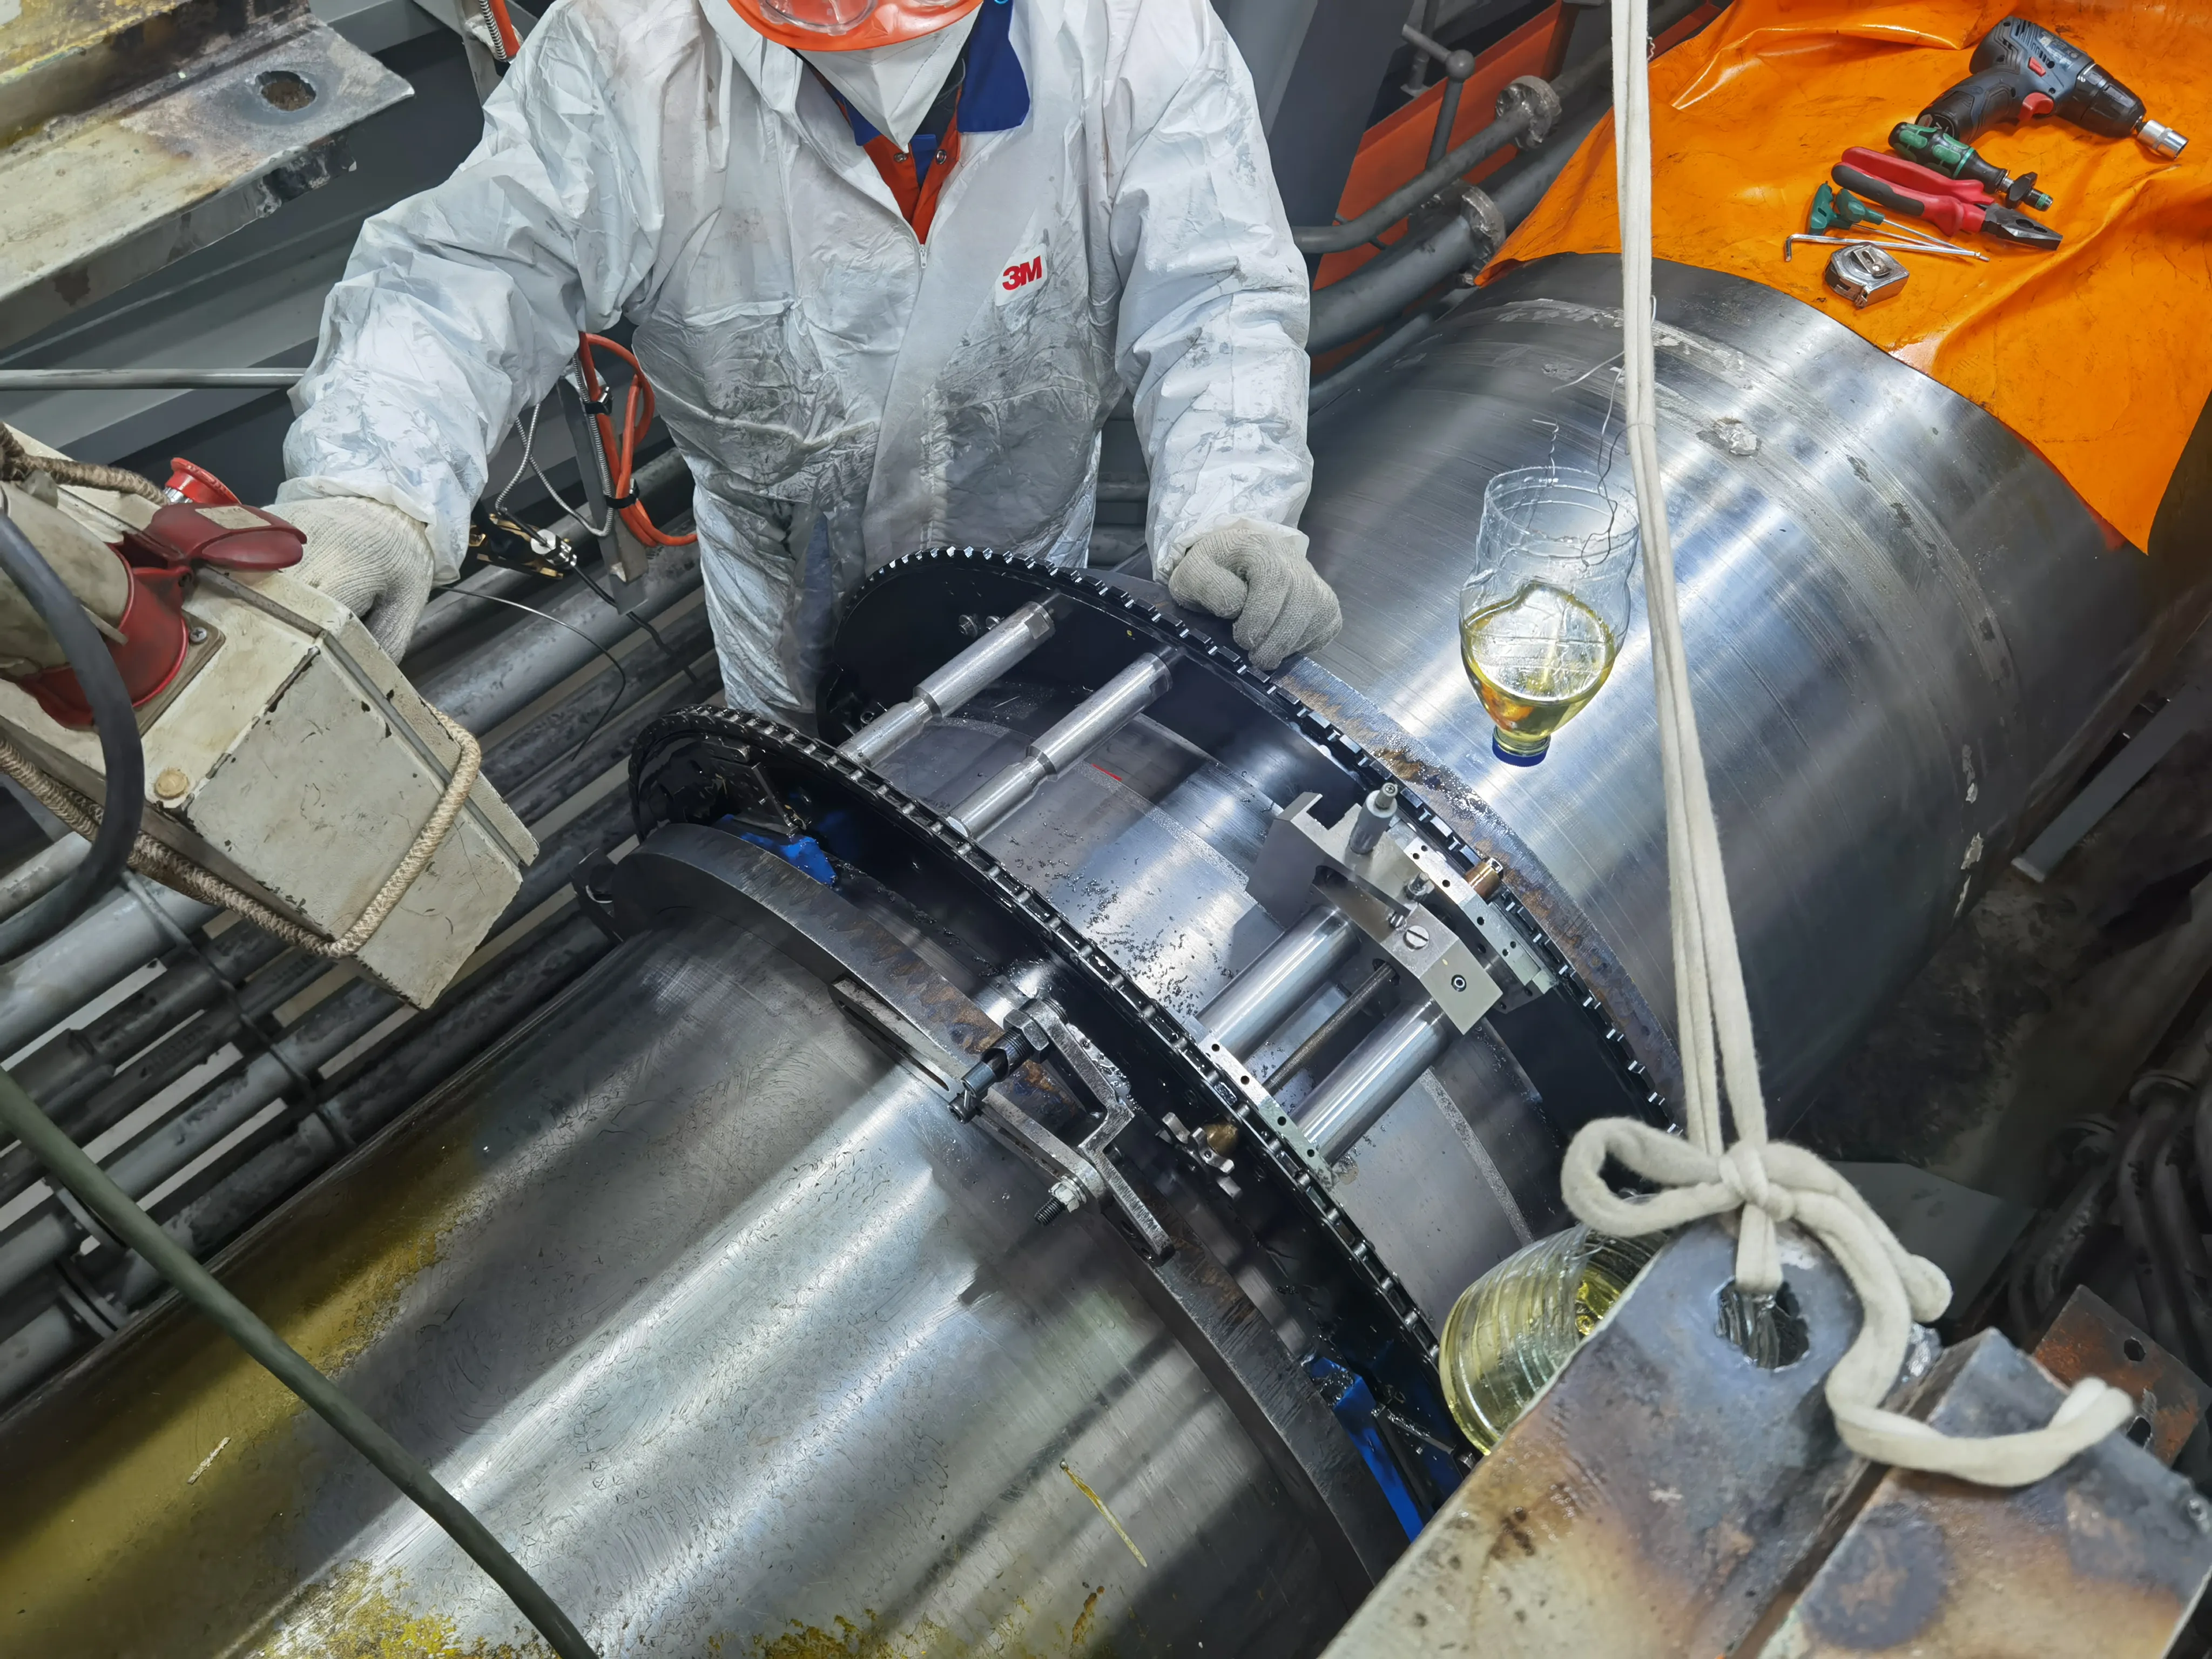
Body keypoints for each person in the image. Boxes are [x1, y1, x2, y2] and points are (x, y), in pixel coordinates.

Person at [276, 0, 1342, 724]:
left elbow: (1214, 288)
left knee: (1018, 774)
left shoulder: (1130, 30)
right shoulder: (628, 50)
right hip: (782, 592)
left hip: (1023, 564)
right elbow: (473, 278)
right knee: (809, 799)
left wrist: (1229, 509)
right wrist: (375, 488)